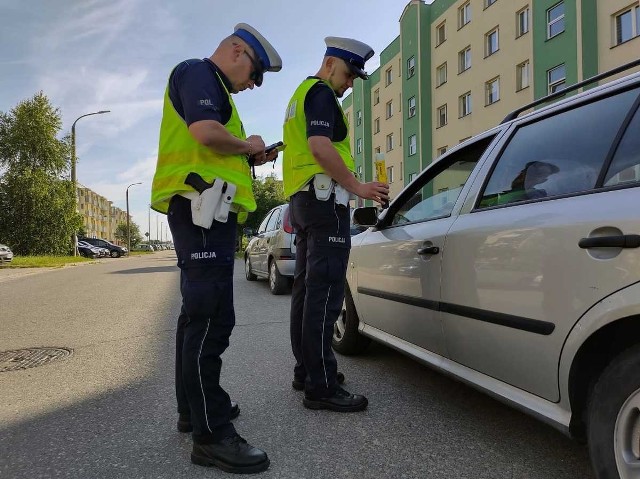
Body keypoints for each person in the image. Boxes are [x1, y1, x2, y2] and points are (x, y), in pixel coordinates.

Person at [150, 23, 281, 473]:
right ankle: (211, 436)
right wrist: (250, 145)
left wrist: (250, 156)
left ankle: (194, 411)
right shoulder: (199, 72)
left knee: (196, 318)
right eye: (253, 74)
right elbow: (206, 133)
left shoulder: (209, 84)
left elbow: (212, 144)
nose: (251, 85)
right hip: (201, 209)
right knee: (210, 319)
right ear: (238, 51)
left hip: (206, 213)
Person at [282, 37, 389, 412]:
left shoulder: (299, 95)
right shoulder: (322, 93)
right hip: (325, 202)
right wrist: (358, 186)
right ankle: (321, 384)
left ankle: (307, 371)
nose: (349, 84)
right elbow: (320, 146)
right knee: (325, 293)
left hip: (304, 201)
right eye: (348, 74)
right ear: (330, 64)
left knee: (306, 291)